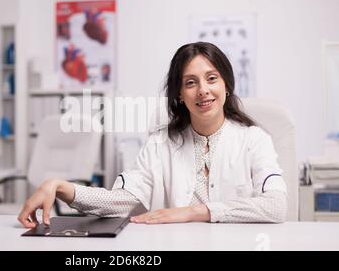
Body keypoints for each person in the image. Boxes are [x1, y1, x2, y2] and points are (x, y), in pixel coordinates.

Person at [18, 42, 288, 228]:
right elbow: (122, 202)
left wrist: (196, 212)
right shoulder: (160, 144)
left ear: (227, 84)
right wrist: (62, 187)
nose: (203, 90)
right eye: (190, 82)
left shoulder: (254, 140)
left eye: (212, 78)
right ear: (180, 95)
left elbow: (276, 206)